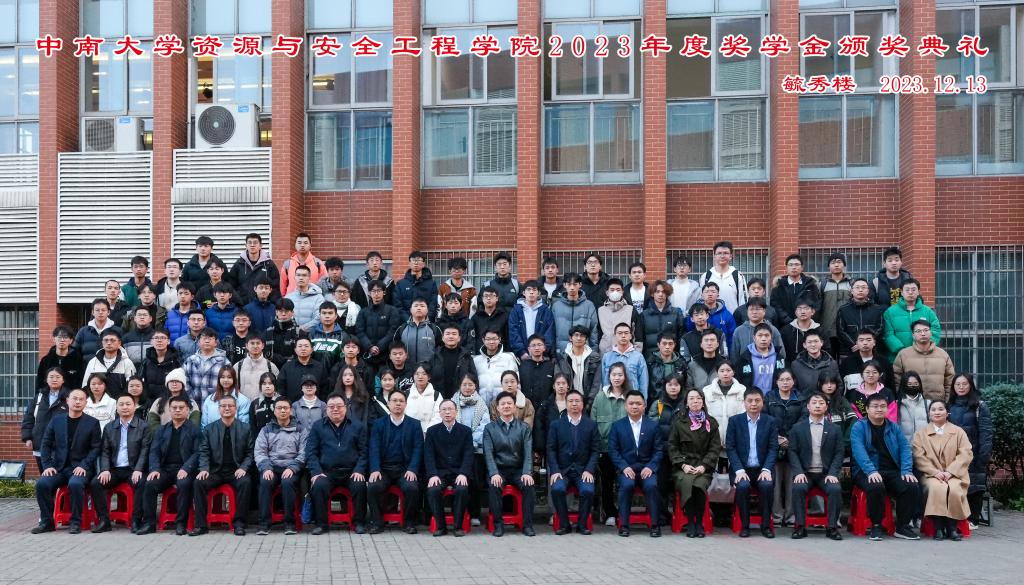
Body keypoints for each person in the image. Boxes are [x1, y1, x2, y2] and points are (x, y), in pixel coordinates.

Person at [850, 394, 921, 540]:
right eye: (875, 406)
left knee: (911, 485)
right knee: (876, 485)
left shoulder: (893, 427)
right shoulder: (859, 427)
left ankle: (902, 526)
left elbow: (905, 448)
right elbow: (859, 451)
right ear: (867, 409)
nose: (879, 409)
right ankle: (876, 525)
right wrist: (871, 471)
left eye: (883, 406)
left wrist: (906, 470)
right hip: (865, 471)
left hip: (891, 470)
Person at [30, 388, 101, 534]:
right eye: (74, 398)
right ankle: (47, 522)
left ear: (85, 403)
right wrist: (47, 465)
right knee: (42, 484)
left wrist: (84, 465)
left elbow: (95, 448)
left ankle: (75, 522)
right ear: (67, 401)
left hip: (81, 468)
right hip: (59, 468)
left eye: (81, 399)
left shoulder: (92, 423)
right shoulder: (56, 420)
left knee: (75, 484)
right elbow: (45, 444)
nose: (77, 402)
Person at [306, 394, 369, 536]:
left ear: (345, 408)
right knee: (319, 485)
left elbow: (364, 452)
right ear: (326, 409)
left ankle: (359, 523)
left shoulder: (357, 426)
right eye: (331, 406)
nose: (335, 409)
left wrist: (359, 470)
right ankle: (321, 524)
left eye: (339, 406)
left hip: (351, 471)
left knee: (359, 485)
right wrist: (316, 472)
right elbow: (311, 452)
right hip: (327, 472)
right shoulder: (318, 427)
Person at [190, 394, 253, 536]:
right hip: (215, 471)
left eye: (230, 406)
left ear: (236, 408)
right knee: (198, 482)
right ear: (219, 409)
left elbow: (250, 452)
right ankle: (200, 525)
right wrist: (204, 469)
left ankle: (239, 524)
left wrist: (243, 467)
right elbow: (204, 451)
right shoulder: (209, 429)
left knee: (246, 482)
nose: (227, 408)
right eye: (223, 406)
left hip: (236, 470)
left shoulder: (245, 428)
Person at [137, 395, 200, 535]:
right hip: (165, 469)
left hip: (185, 469)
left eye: (181, 408)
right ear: (169, 410)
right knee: (150, 484)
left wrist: (186, 468)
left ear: (187, 410)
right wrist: (155, 469)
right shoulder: (162, 430)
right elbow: (154, 451)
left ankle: (181, 523)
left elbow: (197, 453)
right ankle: (149, 523)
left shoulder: (194, 430)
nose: (178, 410)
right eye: (174, 408)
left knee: (184, 485)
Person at [911, 399, 973, 541]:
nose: (937, 412)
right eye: (933, 410)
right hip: (931, 475)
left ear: (947, 412)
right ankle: (938, 527)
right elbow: (919, 457)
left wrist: (950, 472)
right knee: (937, 488)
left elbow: (966, 453)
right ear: (929, 413)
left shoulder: (958, 432)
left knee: (954, 489)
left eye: (941, 409)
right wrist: (935, 472)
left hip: (956, 474)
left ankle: (952, 528)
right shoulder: (921, 434)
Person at [89, 394, 150, 533]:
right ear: (116, 408)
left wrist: (139, 469)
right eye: (121, 404)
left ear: (134, 407)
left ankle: (136, 520)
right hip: (115, 469)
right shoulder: (110, 427)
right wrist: (105, 469)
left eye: (128, 404)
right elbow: (105, 451)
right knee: (96, 483)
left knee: (142, 483)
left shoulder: (144, 427)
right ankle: (104, 521)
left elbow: (145, 450)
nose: (125, 407)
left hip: (133, 468)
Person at [788, 392, 845, 540]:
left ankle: (832, 527)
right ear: (808, 406)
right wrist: (798, 472)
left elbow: (839, 452)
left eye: (821, 403)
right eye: (814, 403)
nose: (817, 406)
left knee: (835, 489)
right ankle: (800, 526)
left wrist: (833, 473)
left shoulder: (835, 429)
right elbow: (792, 451)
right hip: (805, 473)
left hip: (826, 473)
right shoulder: (797, 428)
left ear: (826, 407)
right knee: (798, 488)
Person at [608, 391, 664, 538]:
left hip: (647, 468)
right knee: (626, 486)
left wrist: (651, 467)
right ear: (626, 406)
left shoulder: (653, 426)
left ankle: (655, 525)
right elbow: (613, 451)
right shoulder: (617, 426)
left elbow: (659, 450)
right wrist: (624, 467)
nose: (634, 406)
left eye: (638, 403)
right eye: (631, 403)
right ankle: (624, 525)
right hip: (627, 468)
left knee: (651, 486)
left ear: (644, 406)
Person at [667, 387, 721, 538]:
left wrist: (704, 466)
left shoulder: (711, 423)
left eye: (698, 398)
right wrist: (683, 465)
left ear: (703, 402)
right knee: (688, 484)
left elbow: (714, 448)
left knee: (698, 485)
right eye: (691, 398)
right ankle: (691, 522)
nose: (695, 401)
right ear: (686, 403)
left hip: (703, 468)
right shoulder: (679, 422)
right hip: (683, 468)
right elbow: (672, 447)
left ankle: (699, 523)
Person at [367, 390, 423, 534]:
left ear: (406, 404)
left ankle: (408, 523)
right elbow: (374, 448)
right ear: (388, 404)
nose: (398, 404)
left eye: (401, 401)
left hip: (404, 469)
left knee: (412, 487)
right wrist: (375, 469)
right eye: (395, 401)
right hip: (384, 469)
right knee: (373, 486)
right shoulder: (379, 424)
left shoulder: (414, 424)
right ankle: (377, 523)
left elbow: (418, 449)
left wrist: (412, 469)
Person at [725, 387, 778, 538]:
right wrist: (739, 470)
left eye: (757, 400)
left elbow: (773, 448)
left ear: (762, 402)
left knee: (766, 486)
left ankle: (765, 526)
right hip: (742, 469)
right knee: (742, 486)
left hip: (762, 469)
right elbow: (730, 448)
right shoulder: (735, 421)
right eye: (750, 400)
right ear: (744, 402)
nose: (753, 404)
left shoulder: (770, 421)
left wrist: (766, 469)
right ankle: (745, 526)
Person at [546, 388, 600, 535]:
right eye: (571, 401)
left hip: (583, 470)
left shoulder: (591, 425)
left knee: (588, 490)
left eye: (577, 401)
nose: (574, 404)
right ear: (566, 404)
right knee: (557, 489)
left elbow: (595, 451)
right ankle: (564, 525)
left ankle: (582, 525)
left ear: (582, 404)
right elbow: (551, 450)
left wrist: (589, 470)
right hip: (562, 470)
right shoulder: (556, 425)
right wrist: (555, 470)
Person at [483, 391, 536, 537]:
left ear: (514, 407)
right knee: (494, 485)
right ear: (497, 407)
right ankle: (498, 525)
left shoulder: (524, 428)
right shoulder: (490, 428)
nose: (506, 406)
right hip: (499, 469)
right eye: (503, 404)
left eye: (509, 403)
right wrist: (494, 473)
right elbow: (488, 453)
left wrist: (527, 472)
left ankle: (527, 525)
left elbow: (528, 452)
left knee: (528, 485)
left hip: (518, 470)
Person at [254, 396, 307, 535]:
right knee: (265, 482)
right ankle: (264, 524)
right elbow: (260, 452)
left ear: (291, 410)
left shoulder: (300, 429)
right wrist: (266, 468)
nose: (282, 411)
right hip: (271, 467)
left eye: (285, 408)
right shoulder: (266, 430)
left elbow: (304, 452)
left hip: (291, 467)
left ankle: (289, 523)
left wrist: (293, 468)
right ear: (274, 411)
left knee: (287, 483)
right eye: (279, 408)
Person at [947, 373, 992, 529]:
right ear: (953, 387)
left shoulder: (979, 406)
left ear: (970, 385)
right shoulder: (948, 406)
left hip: (975, 452)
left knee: (975, 486)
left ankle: (973, 519)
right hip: (954, 454)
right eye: (958, 384)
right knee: (957, 485)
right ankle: (959, 517)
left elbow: (986, 433)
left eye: (964, 384)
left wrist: (983, 455)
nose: (961, 387)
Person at [424, 399, 475, 537]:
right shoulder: (432, 431)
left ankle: (458, 527)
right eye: (444, 409)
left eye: (450, 409)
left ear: (456, 412)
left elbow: (469, 454)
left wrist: (464, 473)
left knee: (462, 489)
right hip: (440, 473)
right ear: (439, 413)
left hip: (459, 472)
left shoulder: (465, 431)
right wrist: (433, 474)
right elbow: (428, 455)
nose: (447, 412)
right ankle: (441, 526)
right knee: (433, 489)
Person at [591, 362, 630, 527]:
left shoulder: (630, 396)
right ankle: (610, 513)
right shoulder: (600, 397)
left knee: (624, 481)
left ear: (625, 377)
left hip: (626, 449)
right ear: (609, 376)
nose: (617, 378)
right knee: (607, 481)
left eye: (620, 375)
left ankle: (624, 511)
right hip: (605, 447)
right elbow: (593, 422)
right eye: (614, 375)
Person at [451, 373, 491, 526]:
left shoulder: (481, 405)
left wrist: (469, 442)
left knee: (475, 482)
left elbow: (484, 427)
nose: (467, 387)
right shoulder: (453, 403)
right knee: (459, 481)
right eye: (464, 384)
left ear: (476, 386)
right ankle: (459, 513)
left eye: (470, 384)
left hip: (476, 449)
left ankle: (474, 514)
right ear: (459, 386)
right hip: (457, 450)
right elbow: (450, 423)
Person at [766, 369, 803, 526]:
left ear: (793, 381)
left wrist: (790, 438)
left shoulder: (800, 398)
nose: (785, 382)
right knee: (775, 482)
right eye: (782, 379)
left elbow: (803, 420)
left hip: (794, 446)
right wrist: (776, 438)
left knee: (791, 482)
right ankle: (776, 516)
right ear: (776, 382)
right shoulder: (769, 397)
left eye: (788, 379)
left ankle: (790, 516)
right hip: (774, 444)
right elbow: (765, 419)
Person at [892, 319, 955, 402]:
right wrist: (902, 400)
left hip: (937, 404)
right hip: (911, 403)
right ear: (913, 335)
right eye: (918, 331)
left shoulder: (942, 354)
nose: (923, 333)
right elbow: (896, 380)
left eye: (926, 330)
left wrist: (947, 401)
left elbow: (949, 380)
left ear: (931, 332)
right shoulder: (903, 355)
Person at [22, 367, 69, 473]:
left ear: (63, 380)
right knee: (44, 473)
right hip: (40, 441)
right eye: (51, 377)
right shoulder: (38, 397)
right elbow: (28, 418)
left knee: (59, 475)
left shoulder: (69, 397)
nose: (54, 379)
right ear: (46, 380)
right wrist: (27, 438)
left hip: (61, 444)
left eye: (58, 377)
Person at [883, 279, 941, 357]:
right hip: (899, 356)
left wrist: (926, 346)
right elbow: (888, 334)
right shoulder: (890, 312)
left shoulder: (927, 311)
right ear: (902, 292)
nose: (910, 292)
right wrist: (901, 350)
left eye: (913, 290)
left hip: (924, 355)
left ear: (918, 292)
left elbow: (936, 330)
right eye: (907, 290)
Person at [355, 280, 403, 367]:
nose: (376, 294)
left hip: (386, 356)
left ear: (384, 292)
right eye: (373, 291)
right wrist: (369, 347)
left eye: (379, 291)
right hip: (367, 355)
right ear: (369, 293)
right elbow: (359, 331)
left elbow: (393, 331)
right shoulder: (363, 312)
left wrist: (379, 347)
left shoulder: (392, 310)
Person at [837, 278, 886, 360]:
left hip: (872, 351)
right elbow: (841, 330)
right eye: (857, 287)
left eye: (863, 287)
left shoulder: (877, 309)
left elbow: (880, 328)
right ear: (852, 291)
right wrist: (856, 344)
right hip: (850, 351)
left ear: (868, 291)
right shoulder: (843, 310)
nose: (860, 290)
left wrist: (867, 342)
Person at [81, 329, 136, 399]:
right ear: (102, 342)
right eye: (106, 340)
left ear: (119, 343)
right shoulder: (93, 362)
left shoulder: (127, 362)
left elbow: (132, 387)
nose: (109, 343)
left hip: (119, 403)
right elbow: (85, 386)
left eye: (112, 340)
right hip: (96, 403)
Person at [551, 272, 599, 352]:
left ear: (580, 285)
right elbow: (552, 331)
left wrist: (594, 351)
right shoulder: (556, 306)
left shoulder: (589, 305)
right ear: (564, 285)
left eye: (575, 284)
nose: (572, 288)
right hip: (562, 350)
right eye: (569, 284)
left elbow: (594, 330)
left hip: (584, 351)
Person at [601, 323, 649, 400]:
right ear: (615, 336)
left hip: (632, 400)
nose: (623, 336)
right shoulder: (607, 357)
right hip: (611, 400)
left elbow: (643, 383)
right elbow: (603, 381)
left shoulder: (638, 357)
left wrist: (643, 402)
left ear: (631, 336)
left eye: (626, 333)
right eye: (620, 333)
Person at [556, 325, 602, 405]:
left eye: (582, 335)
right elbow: (558, 380)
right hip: (568, 400)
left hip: (588, 400)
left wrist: (590, 402)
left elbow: (596, 383)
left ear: (586, 339)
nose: (579, 338)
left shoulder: (595, 358)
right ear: (570, 338)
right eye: (576, 335)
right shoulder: (563, 358)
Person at [770, 253, 821, 326]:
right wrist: (790, 322)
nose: (794, 267)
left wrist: (804, 320)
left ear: (802, 267)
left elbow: (816, 305)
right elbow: (776, 307)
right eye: (791, 265)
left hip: (807, 325)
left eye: (797, 264)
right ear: (786, 268)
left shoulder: (811, 285)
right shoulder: (778, 286)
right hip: (785, 326)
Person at [429, 324, 477, 400]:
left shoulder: (466, 356)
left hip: (461, 399)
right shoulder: (435, 356)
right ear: (443, 338)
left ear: (459, 338)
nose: (451, 336)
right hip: (438, 399)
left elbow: (474, 379)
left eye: (454, 334)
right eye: (447, 334)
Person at [508, 281, 555, 359]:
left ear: (539, 293)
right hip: (522, 355)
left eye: (534, 290)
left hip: (541, 355)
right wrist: (521, 352)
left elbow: (549, 332)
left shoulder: (546, 311)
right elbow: (513, 332)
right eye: (528, 289)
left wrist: (542, 351)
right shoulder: (516, 311)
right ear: (524, 293)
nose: (531, 292)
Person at [698, 241, 749, 314]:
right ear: (714, 256)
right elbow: (701, 299)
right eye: (719, 253)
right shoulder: (706, 276)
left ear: (731, 256)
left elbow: (744, 301)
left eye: (725, 253)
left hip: (733, 318)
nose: (722, 256)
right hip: (710, 318)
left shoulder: (738, 276)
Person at [704, 360, 746, 445]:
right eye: (722, 371)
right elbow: (706, 415)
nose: (725, 374)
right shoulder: (707, 391)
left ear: (733, 372)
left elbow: (743, 414)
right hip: (714, 437)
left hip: (736, 436)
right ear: (717, 373)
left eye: (728, 370)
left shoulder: (742, 390)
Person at [819, 252, 852, 359]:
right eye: (833, 262)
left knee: (846, 360)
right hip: (827, 329)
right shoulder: (822, 284)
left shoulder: (851, 283)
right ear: (829, 266)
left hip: (847, 330)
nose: (836, 265)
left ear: (844, 265)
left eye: (839, 262)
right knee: (829, 359)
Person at [182, 328, 228, 404]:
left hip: (216, 403)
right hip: (193, 403)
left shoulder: (224, 361)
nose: (207, 341)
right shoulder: (190, 360)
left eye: (210, 339)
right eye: (204, 338)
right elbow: (184, 380)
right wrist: (190, 397)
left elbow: (228, 384)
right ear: (198, 342)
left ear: (216, 343)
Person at [736, 324, 786, 394]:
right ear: (754, 338)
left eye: (767, 335)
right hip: (752, 398)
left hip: (774, 398)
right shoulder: (744, 358)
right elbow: (739, 381)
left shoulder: (779, 358)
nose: (763, 339)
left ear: (771, 338)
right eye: (760, 335)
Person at [640, 280, 684, 358]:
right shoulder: (644, 315)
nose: (661, 294)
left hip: (672, 358)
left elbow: (681, 336)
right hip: (650, 358)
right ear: (652, 294)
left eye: (663, 292)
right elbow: (641, 339)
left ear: (667, 294)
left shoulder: (676, 313)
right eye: (657, 292)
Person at [688, 282, 738, 350]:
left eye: (713, 292)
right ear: (702, 295)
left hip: (721, 351)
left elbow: (731, 338)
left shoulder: (727, 315)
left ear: (718, 295)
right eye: (706, 292)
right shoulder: (694, 313)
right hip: (698, 350)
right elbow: (689, 332)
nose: (710, 294)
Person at [473, 330, 519, 404]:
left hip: (503, 404)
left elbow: (516, 383)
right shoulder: (476, 360)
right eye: (488, 339)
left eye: (494, 339)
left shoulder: (508, 358)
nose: (491, 342)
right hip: (481, 404)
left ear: (499, 339)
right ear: (483, 340)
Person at [277, 337, 329, 402]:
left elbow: (325, 389)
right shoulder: (287, 367)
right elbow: (281, 388)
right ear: (295, 350)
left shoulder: (320, 367)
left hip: (316, 406)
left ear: (312, 349)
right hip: (292, 405)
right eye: (300, 346)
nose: (303, 348)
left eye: (306, 346)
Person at [138, 328, 181, 405]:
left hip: (169, 402)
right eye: (156, 338)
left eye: (163, 338)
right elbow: (141, 382)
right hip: (149, 403)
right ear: (151, 342)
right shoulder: (146, 362)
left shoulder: (176, 362)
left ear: (168, 341)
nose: (159, 341)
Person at [597, 279, 641, 354]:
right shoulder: (600, 310)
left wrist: (637, 354)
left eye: (618, 290)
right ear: (607, 293)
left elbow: (637, 335)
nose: (615, 292)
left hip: (626, 353)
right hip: (605, 353)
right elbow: (597, 334)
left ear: (622, 292)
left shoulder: (631, 310)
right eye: (612, 290)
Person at [393, 298, 442, 366]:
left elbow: (440, 351)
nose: (419, 308)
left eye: (422, 306)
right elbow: (395, 349)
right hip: (406, 369)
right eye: (416, 306)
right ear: (410, 309)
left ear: (427, 310)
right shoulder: (402, 328)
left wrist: (431, 366)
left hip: (428, 369)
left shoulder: (434, 329)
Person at [790, 331, 840, 397]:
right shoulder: (796, 365)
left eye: (816, 341)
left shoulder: (832, 363)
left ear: (821, 343)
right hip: (803, 401)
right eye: (809, 342)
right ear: (804, 345)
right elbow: (792, 387)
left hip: (827, 401)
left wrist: (830, 400)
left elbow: (839, 385)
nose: (813, 345)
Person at [393, 250, 439, 319]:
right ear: (409, 263)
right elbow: (397, 306)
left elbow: (433, 304)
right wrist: (408, 320)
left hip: (426, 321)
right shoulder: (400, 284)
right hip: (406, 322)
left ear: (423, 264)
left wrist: (426, 319)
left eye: (418, 260)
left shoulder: (431, 283)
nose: (416, 263)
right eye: (413, 260)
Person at [233, 334, 279, 400]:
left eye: (258, 343)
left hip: (263, 405)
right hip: (244, 405)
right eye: (252, 343)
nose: (255, 346)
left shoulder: (271, 367)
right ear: (246, 346)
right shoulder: (237, 366)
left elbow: (277, 390)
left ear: (263, 346)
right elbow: (233, 390)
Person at [280, 232, 327, 297]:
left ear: (310, 245)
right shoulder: (288, 264)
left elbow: (325, 283)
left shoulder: (318, 263)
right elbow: (282, 285)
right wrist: (284, 298)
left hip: (313, 299)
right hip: (291, 300)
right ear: (295, 245)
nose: (302, 245)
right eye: (299, 243)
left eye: (305, 243)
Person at [37, 325, 83, 390]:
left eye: (65, 337)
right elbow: (40, 382)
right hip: (49, 395)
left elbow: (81, 382)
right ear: (54, 339)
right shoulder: (46, 360)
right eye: (59, 337)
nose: (62, 340)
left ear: (71, 341)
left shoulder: (78, 360)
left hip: (71, 395)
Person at [646, 333, 687, 402]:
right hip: (656, 401)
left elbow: (685, 384)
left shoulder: (681, 363)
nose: (667, 347)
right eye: (664, 344)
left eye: (670, 344)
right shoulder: (651, 363)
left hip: (678, 401)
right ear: (658, 345)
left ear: (674, 345)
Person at [518, 335, 555, 409]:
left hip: (546, 408)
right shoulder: (522, 366)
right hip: (527, 407)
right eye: (533, 345)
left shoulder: (551, 366)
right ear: (529, 349)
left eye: (539, 345)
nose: (537, 348)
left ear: (544, 347)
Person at [335, 363, 376, 429]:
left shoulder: (363, 395)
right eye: (345, 375)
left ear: (355, 377)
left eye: (351, 375)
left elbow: (366, 417)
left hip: (359, 431)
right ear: (341, 378)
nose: (348, 378)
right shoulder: (336, 396)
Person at [780, 300, 820, 367]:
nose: (803, 311)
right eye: (799, 308)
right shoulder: (786, 330)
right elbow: (781, 354)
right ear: (795, 312)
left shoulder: (820, 330)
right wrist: (784, 370)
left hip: (815, 368)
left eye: (806, 308)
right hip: (791, 369)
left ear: (813, 312)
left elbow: (826, 352)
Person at [286, 265, 326, 331]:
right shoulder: (288, 297)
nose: (301, 278)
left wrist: (301, 329)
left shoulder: (318, 298)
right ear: (294, 277)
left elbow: (319, 318)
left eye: (304, 275)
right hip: (290, 334)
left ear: (309, 278)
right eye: (298, 275)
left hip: (311, 334)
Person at [309, 302, 349, 369]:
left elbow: (344, 359)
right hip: (315, 373)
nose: (327, 316)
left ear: (336, 316)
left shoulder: (343, 336)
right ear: (320, 315)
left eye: (330, 313)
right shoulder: (312, 334)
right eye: (324, 313)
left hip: (336, 373)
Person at [470, 286, 510, 352]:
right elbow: (472, 338)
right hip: (480, 353)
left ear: (497, 298)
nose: (488, 298)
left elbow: (508, 338)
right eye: (486, 296)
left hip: (500, 353)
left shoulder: (505, 316)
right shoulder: (476, 317)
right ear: (482, 299)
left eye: (491, 296)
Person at [406, 363, 442, 434]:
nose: (420, 377)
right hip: (410, 433)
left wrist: (428, 431)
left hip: (430, 434)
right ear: (413, 376)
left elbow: (438, 416)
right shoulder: (406, 394)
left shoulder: (436, 395)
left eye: (424, 374)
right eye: (417, 374)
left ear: (429, 377)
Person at [896, 371, 929, 446]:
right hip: (904, 447)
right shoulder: (897, 404)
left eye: (916, 384)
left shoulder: (927, 403)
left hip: (924, 447)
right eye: (909, 384)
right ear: (904, 385)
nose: (913, 386)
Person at [265, 298, 299, 368]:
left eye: (286, 311)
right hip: (271, 368)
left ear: (292, 312)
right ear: (276, 312)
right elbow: (264, 352)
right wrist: (284, 360)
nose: (283, 314)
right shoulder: (268, 332)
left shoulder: (299, 332)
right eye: (280, 311)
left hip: (293, 368)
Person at [250, 372, 282, 436]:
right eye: (264, 384)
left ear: (275, 385)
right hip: (260, 438)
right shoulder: (255, 403)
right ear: (260, 386)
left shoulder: (281, 401)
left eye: (270, 383)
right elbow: (253, 426)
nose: (267, 386)